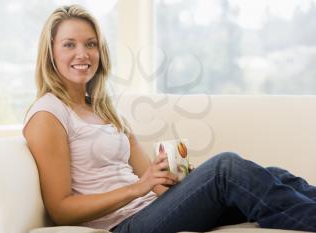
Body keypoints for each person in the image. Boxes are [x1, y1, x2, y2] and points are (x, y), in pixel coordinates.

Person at [23, 4, 316, 233]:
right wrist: (139, 187)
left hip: (152, 209)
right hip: (124, 225)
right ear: (50, 52)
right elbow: (61, 208)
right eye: (69, 44)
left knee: (275, 174)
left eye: (90, 44)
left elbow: (151, 181)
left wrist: (173, 179)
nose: (83, 53)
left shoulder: (103, 109)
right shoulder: (48, 114)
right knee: (226, 168)